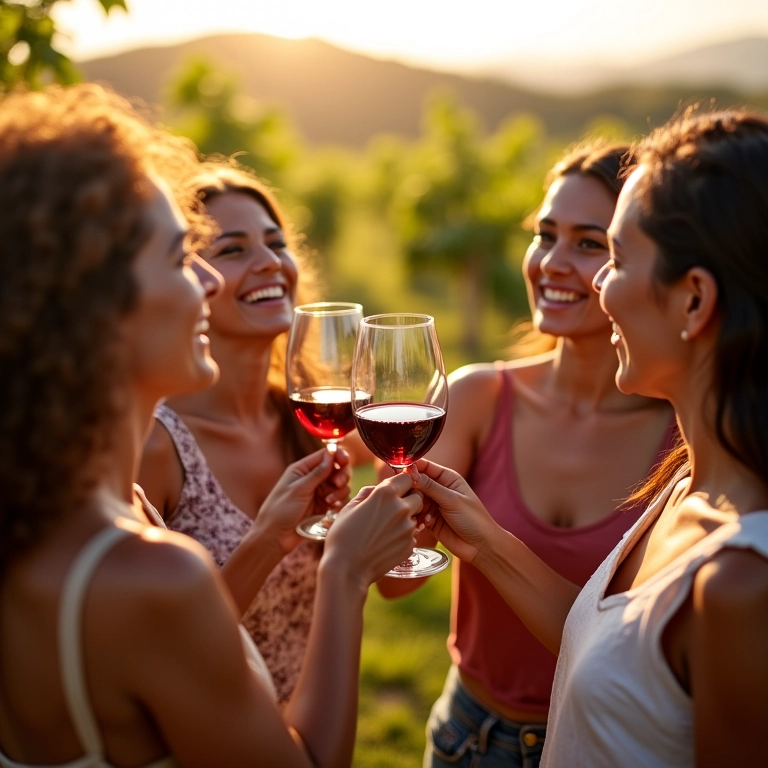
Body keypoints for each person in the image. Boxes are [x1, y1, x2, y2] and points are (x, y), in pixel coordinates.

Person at [0, 82, 420, 768]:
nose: (211, 281)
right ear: (91, 305)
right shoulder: (152, 572)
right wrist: (344, 571)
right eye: (179, 257)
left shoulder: (76, 517)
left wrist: (280, 535)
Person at [412, 106, 768, 767]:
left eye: (613, 255)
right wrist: (484, 541)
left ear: (694, 300)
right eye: (546, 235)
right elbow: (601, 639)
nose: (595, 281)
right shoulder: (687, 481)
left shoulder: (741, 583)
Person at [377, 140, 676, 768]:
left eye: (590, 243)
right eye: (545, 235)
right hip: (470, 738)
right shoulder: (478, 396)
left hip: (604, 746)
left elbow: (627, 655)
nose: (552, 264)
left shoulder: (682, 438)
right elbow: (394, 585)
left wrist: (486, 542)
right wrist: (390, 518)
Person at [138, 161, 363, 706]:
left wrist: (406, 502)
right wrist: (269, 542)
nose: (269, 262)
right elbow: (162, 652)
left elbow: (402, 585)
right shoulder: (156, 447)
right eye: (233, 249)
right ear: (191, 280)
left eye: (276, 243)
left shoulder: (304, 419)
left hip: (307, 727)